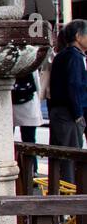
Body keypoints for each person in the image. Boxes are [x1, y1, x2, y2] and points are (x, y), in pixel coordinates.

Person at [47, 20, 87, 148]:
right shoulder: (75, 57)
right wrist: (78, 115)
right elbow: (74, 85)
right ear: (78, 36)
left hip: (59, 112)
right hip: (69, 114)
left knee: (61, 158)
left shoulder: (62, 55)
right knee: (70, 157)